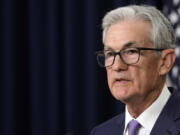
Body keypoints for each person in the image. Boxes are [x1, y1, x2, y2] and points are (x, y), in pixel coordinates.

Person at [91, 5, 180, 135]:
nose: (117, 66)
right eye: (110, 54)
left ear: (165, 62)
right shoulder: (100, 132)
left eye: (131, 52)